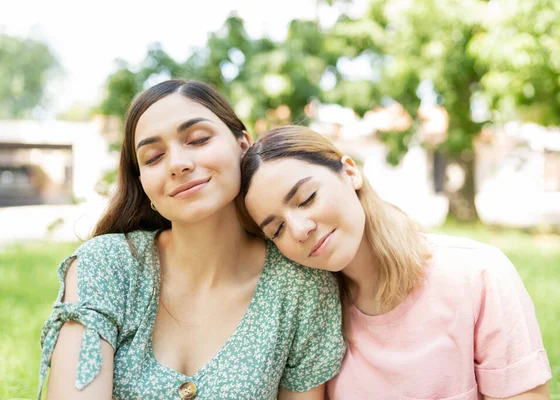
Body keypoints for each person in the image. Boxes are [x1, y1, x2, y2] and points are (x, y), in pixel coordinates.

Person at [38, 82, 345, 400]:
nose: (177, 164)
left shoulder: (301, 284)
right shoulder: (105, 265)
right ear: (142, 184)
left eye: (198, 139)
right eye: (154, 157)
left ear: (243, 146)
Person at [238, 125, 552, 400]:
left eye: (307, 198)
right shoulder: (311, 315)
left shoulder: (477, 273)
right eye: (276, 228)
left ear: (349, 171)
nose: (299, 229)